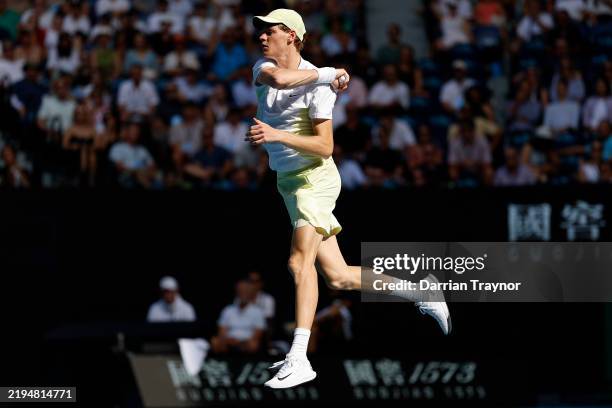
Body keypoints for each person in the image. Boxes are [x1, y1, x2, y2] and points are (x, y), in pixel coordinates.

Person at [247, 8, 451, 390]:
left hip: (315, 180)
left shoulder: (321, 87)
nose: (261, 36)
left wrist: (278, 135)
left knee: (297, 261)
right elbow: (284, 78)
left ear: (291, 35)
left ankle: (299, 356)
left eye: (270, 30)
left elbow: (324, 147)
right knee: (339, 278)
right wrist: (330, 72)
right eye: (260, 31)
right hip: (288, 184)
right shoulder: (264, 68)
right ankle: (420, 290)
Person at [211, 279, 266, 354]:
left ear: (251, 293)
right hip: (229, 341)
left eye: (246, 290)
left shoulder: (257, 312)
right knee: (215, 341)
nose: (243, 293)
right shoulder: (228, 310)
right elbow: (221, 331)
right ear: (237, 292)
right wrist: (229, 340)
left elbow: (257, 334)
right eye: (241, 290)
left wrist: (241, 342)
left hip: (246, 342)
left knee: (254, 344)